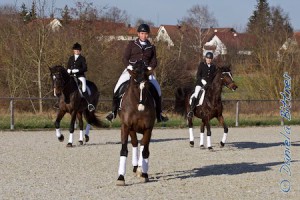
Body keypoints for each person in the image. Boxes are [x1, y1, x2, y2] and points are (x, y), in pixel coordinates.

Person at [105, 23, 168, 123]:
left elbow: (154, 61)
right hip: (132, 70)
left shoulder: (151, 47)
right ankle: (113, 112)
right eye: (142, 33)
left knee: (158, 89)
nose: (144, 36)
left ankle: (159, 114)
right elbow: (125, 58)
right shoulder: (131, 44)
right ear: (138, 34)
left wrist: (150, 67)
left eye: (146, 34)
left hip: (145, 72)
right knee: (117, 86)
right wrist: (129, 66)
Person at [187, 52, 217, 118]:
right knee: (196, 94)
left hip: (209, 85)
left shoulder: (213, 67)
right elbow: (198, 75)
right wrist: (202, 80)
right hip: (200, 84)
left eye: (210, 59)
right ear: (205, 58)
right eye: (208, 58)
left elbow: (214, 77)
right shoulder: (202, 65)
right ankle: (191, 110)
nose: (209, 60)